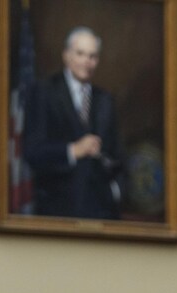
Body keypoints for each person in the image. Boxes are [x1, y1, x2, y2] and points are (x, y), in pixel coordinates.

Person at [24, 26, 124, 219]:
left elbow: (118, 156)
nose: (87, 62)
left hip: (102, 213)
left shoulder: (105, 100)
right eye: (80, 54)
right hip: (57, 211)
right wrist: (73, 150)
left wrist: (115, 192)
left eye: (92, 56)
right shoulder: (44, 92)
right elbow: (32, 151)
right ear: (66, 56)